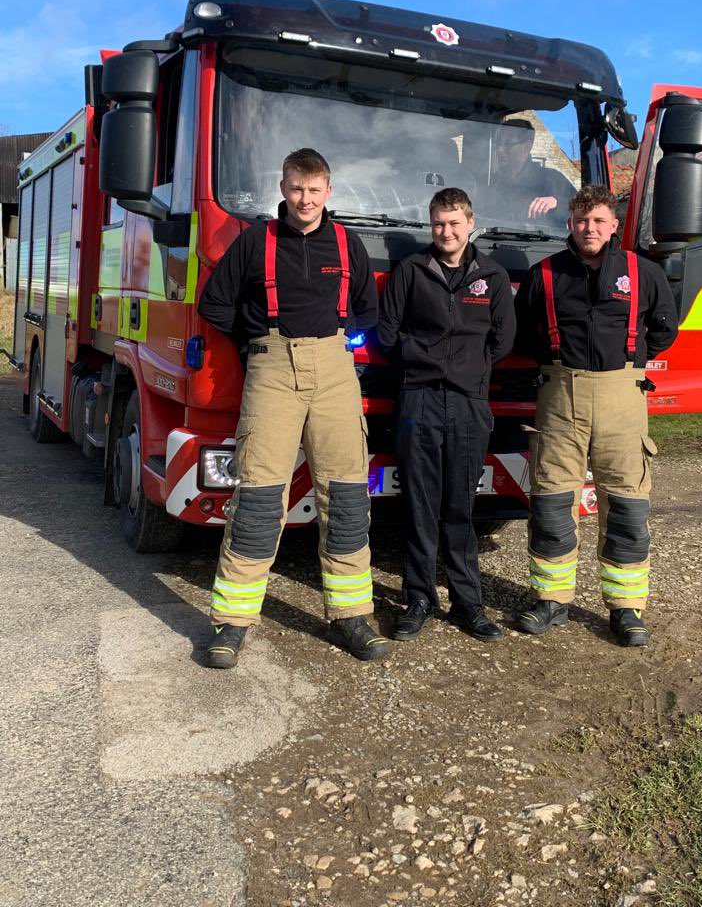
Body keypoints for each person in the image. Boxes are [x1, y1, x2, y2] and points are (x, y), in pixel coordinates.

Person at [198, 148, 390, 666]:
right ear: (283, 189)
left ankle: (351, 616)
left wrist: (337, 341)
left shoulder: (348, 243)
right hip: (272, 371)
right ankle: (231, 623)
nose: (305, 199)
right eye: (297, 189)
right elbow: (213, 303)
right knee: (259, 498)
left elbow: (367, 311)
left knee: (347, 497)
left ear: (328, 191)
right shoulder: (254, 241)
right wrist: (255, 343)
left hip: (334, 371)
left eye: (314, 190)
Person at [512, 185, 678, 647]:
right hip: (560, 394)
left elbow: (664, 329)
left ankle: (626, 608)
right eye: (582, 221)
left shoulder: (643, 273)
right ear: (570, 224)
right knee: (551, 501)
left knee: (626, 504)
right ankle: (551, 599)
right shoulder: (544, 274)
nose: (590, 229)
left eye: (600, 221)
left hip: (621, 394)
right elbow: (523, 333)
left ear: (613, 225)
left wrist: (629, 363)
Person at [377, 187, 516, 642]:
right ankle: (418, 599)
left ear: (470, 224)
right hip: (418, 398)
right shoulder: (411, 271)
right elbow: (387, 332)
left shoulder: (492, 276)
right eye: (438, 223)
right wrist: (422, 363)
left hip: (469, 402)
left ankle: (467, 602)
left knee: (461, 506)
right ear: (430, 224)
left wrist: (469, 370)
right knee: (419, 504)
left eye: (454, 223)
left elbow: (503, 339)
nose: (446, 231)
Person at [480, 118, 575, 227]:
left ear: (526, 147)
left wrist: (557, 203)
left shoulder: (552, 179)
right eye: (498, 144)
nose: (500, 150)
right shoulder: (490, 182)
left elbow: (585, 209)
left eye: (507, 144)